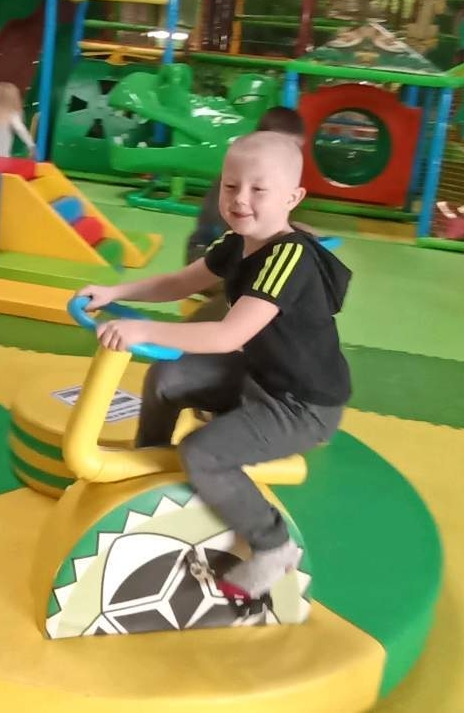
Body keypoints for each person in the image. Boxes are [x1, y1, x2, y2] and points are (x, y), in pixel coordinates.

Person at [74, 131, 352, 602]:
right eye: (230, 186)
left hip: (301, 405)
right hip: (257, 375)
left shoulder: (289, 258)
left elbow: (228, 336)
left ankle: (274, 546)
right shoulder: (237, 241)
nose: (240, 199)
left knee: (203, 453)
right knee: (168, 378)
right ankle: (147, 467)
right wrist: (115, 293)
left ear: (292, 198)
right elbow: (181, 282)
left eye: (258, 189)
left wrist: (143, 331)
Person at [187, 107, 318, 322]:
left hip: (233, 254)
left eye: (294, 149)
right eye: (277, 148)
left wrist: (295, 229)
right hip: (207, 252)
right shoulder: (236, 189)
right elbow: (241, 231)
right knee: (254, 286)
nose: (286, 157)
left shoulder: (272, 185)